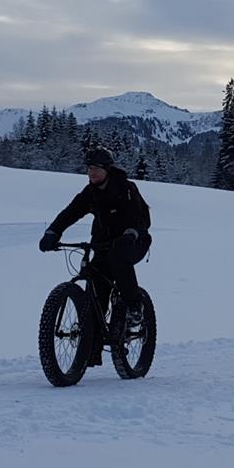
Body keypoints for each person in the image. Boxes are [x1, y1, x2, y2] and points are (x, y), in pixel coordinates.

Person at [39, 146, 151, 345]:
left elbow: (140, 219)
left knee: (118, 260)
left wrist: (131, 233)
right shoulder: (90, 192)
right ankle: (92, 345)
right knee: (97, 278)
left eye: (97, 168)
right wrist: (53, 232)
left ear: (107, 169)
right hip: (103, 243)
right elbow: (70, 213)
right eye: (89, 168)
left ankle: (134, 307)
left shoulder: (125, 188)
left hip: (134, 241)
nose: (92, 173)